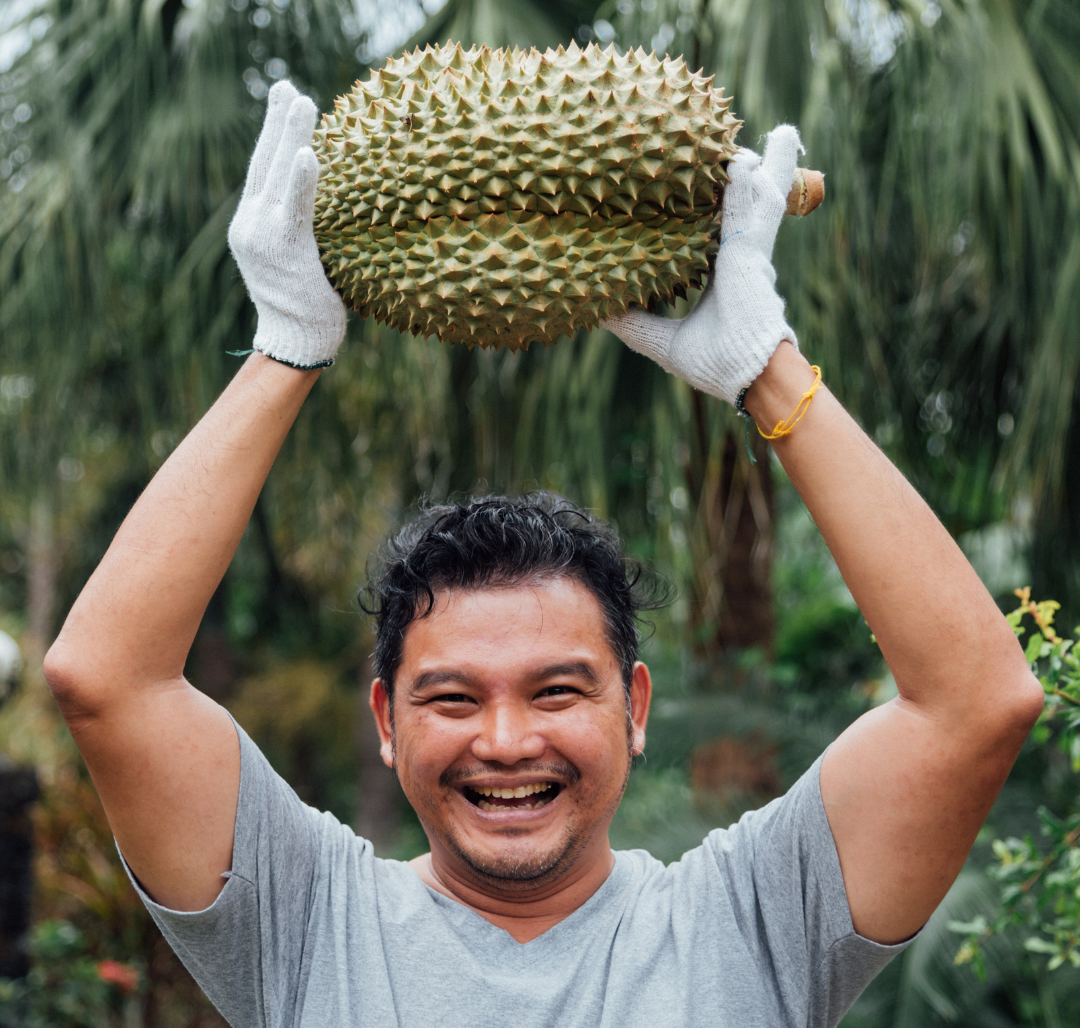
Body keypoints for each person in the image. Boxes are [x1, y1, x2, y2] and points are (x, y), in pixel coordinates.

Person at [43, 80, 1043, 1028]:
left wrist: (768, 375)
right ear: (386, 719)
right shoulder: (304, 918)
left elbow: (975, 704)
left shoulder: (753, 919)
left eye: (559, 691)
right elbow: (107, 680)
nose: (508, 741)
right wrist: (286, 350)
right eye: (452, 697)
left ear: (635, 707)